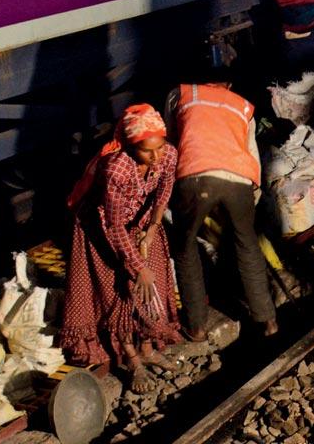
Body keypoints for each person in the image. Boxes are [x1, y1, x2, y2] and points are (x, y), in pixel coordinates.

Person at [60, 105, 181, 392]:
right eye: (146, 152)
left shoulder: (168, 154)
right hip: (100, 227)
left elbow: (163, 193)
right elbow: (113, 226)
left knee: (154, 283)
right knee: (119, 288)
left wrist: (150, 233)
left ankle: (149, 348)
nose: (155, 157)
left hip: (140, 221)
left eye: (159, 148)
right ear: (130, 147)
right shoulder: (116, 167)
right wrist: (138, 267)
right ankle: (133, 358)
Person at [166, 70, 278, 342]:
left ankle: (196, 327)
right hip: (239, 180)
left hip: (195, 177)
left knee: (185, 247)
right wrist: (253, 194)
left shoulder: (180, 94)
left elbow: (170, 143)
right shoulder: (242, 104)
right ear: (228, 83)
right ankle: (268, 320)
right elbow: (252, 153)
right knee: (247, 244)